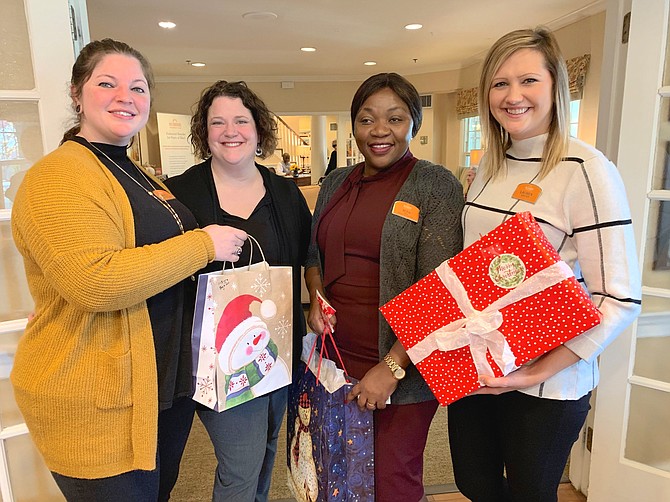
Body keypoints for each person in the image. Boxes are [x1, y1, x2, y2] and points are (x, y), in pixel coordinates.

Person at [10, 39, 247, 501]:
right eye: (107, 84)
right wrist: (203, 245)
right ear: (77, 93)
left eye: (138, 88)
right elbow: (96, 282)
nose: (126, 97)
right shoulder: (59, 176)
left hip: (159, 391)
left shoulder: (136, 171)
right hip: (98, 405)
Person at [451, 27, 642, 501]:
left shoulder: (585, 170)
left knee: (529, 495)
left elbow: (619, 299)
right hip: (480, 368)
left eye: (528, 81)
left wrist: (535, 372)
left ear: (557, 85)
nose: (513, 95)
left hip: (547, 386)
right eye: (500, 83)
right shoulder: (489, 167)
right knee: (473, 484)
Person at [304, 72, 464, 502]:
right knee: (337, 473)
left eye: (394, 119)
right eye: (366, 118)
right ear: (353, 124)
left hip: (402, 366)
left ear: (415, 123)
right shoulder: (337, 181)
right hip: (336, 360)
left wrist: (392, 368)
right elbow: (314, 254)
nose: (379, 131)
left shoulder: (434, 185)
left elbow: (440, 291)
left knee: (393, 481)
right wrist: (315, 297)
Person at [165, 80, 311, 502]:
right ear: (204, 132)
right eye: (218, 122)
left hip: (278, 350)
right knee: (241, 465)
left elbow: (308, 256)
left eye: (241, 120)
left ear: (259, 130)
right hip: (219, 357)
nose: (231, 131)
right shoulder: (180, 194)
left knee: (266, 452)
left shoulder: (285, 193)